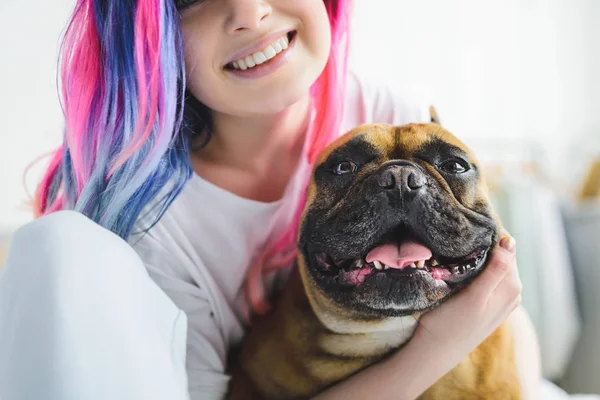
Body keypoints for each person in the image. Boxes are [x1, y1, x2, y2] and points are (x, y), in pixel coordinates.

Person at [0, 1, 534, 399]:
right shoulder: (153, 225)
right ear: (147, 34)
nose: (249, 14)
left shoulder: (387, 106)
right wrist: (440, 345)